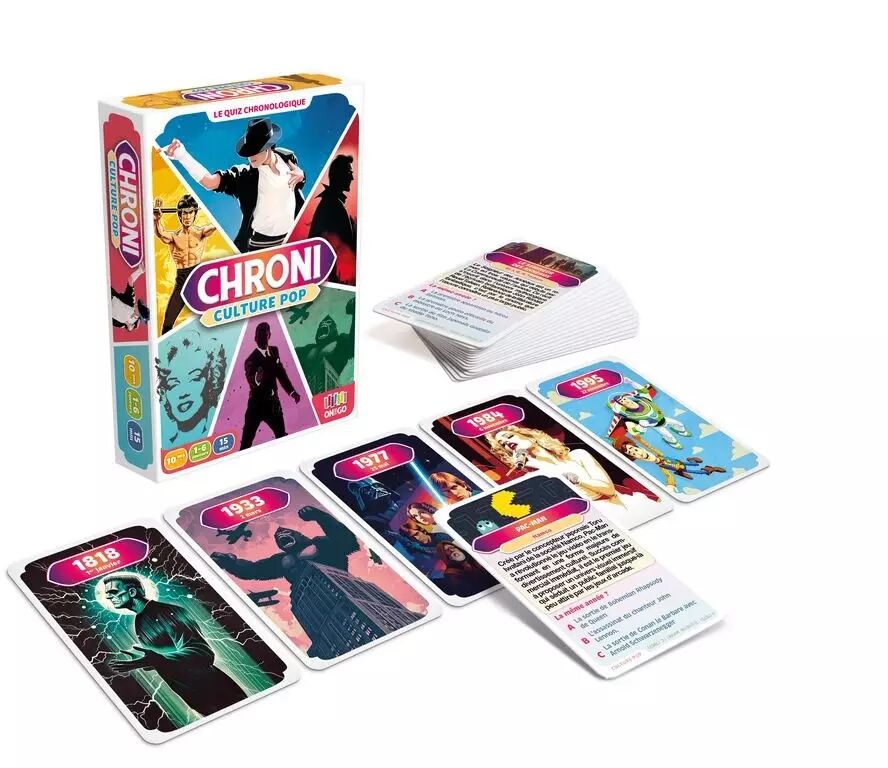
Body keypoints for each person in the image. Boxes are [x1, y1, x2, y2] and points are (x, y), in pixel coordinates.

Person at [103, 574, 246, 717]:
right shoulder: (139, 620)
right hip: (194, 696)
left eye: (113, 592)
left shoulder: (166, 611)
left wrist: (157, 659)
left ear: (132, 592)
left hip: (217, 692)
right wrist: (145, 661)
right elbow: (165, 658)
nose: (109, 597)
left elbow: (202, 652)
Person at [164, 118, 305, 252]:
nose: (250, 157)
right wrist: (182, 156)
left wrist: (302, 176)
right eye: (248, 151)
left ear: (268, 148)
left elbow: (295, 186)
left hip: (293, 238)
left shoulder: (287, 158)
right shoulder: (244, 176)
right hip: (261, 245)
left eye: (255, 151)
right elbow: (209, 182)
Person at [485, 425, 623, 506]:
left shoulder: (578, 455)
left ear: (529, 436)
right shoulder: (534, 478)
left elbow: (609, 489)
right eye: (503, 444)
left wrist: (578, 481)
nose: (506, 442)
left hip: (615, 506)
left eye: (509, 436)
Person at [154, 195, 216, 334]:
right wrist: (157, 220)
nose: (187, 216)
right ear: (180, 215)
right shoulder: (174, 237)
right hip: (182, 279)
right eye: (184, 213)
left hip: (198, 278)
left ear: (195, 214)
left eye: (190, 212)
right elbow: (161, 234)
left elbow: (214, 226)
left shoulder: (200, 233)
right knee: (168, 323)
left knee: (214, 319)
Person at [156, 330, 227, 448]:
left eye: (194, 378)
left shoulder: (221, 431)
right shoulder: (164, 447)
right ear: (164, 393)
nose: (183, 393)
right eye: (173, 384)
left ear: (211, 381)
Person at [240, 321, 301, 449]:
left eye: (265, 335)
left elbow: (281, 374)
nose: (262, 338)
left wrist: (292, 392)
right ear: (255, 338)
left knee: (281, 436)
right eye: (260, 335)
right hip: (256, 406)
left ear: (269, 335)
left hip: (273, 405)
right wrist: (257, 378)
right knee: (246, 442)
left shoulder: (274, 351)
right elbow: (252, 381)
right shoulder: (250, 360)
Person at [308, 154, 356, 284]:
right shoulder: (333, 204)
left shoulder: (332, 202)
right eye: (349, 173)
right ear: (339, 175)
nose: (352, 178)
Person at [615, 438, 726, 481]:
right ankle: (708, 470)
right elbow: (668, 475)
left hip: (676, 462)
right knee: (694, 470)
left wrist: (637, 437)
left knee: (693, 465)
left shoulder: (658, 454)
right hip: (676, 467)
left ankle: (692, 461)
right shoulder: (660, 466)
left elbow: (647, 445)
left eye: (634, 449)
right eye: (633, 454)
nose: (638, 453)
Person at [110, 264, 149, 331]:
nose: (136, 304)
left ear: (139, 314)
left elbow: (130, 328)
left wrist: (129, 328)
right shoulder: (131, 301)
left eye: (138, 307)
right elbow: (130, 280)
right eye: (138, 305)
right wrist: (140, 271)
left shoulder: (132, 324)